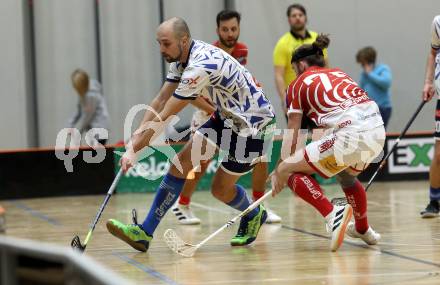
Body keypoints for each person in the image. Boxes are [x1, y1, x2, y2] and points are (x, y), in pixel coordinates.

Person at [106, 17, 276, 252]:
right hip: (227, 116)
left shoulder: (198, 66)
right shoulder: (181, 59)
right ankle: (145, 233)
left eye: (166, 44)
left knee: (220, 191)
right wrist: (136, 139)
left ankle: (255, 213)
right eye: (159, 44)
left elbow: (167, 113)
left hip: (254, 125)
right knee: (180, 165)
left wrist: (136, 149)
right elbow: (160, 99)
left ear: (183, 41)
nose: (161, 50)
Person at [271, 35, 385, 251]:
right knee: (345, 174)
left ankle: (332, 214)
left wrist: (279, 168)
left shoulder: (295, 85)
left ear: (301, 64)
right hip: (377, 133)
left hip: (351, 135)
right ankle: (362, 229)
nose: (294, 74)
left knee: (289, 169)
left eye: (294, 69)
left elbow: (293, 132)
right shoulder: (340, 73)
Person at [171, 10, 281, 225]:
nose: (229, 33)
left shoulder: (242, 50)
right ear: (217, 30)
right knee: (199, 162)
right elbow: (190, 95)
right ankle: (182, 203)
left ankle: (258, 204)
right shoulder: (207, 53)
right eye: (225, 29)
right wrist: (214, 109)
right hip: (206, 112)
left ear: (239, 29)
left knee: (261, 157)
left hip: (233, 114)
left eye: (233, 29)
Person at [273, 4, 327, 127]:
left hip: (316, 94)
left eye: (300, 15)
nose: (297, 18)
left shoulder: (317, 39)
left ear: (305, 18)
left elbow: (325, 67)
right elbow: (278, 75)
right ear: (289, 20)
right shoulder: (282, 44)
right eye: (294, 15)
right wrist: (284, 101)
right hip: (294, 97)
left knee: (320, 134)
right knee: (297, 138)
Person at [420, 15, 440, 218]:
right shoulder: (438, 22)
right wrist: (428, 82)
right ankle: (434, 201)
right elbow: (433, 53)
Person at [67, 69, 110, 145]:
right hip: (93, 130)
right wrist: (70, 124)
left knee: (96, 154)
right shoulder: (84, 92)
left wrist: (78, 132)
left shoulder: (91, 95)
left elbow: (87, 117)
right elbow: (79, 110)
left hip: (100, 130)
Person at [356, 47, 392, 128]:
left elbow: (386, 83)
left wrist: (370, 74)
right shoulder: (364, 74)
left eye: (363, 63)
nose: (362, 66)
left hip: (382, 108)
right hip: (368, 109)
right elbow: (362, 89)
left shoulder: (383, 69)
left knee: (378, 134)